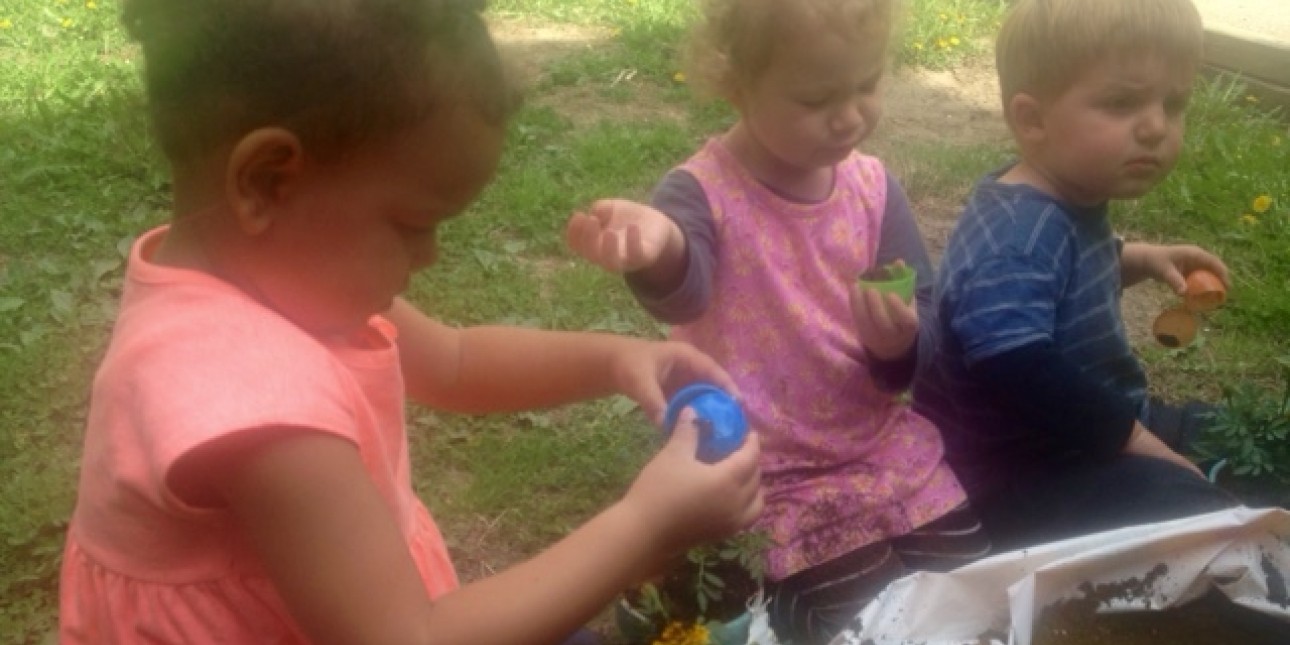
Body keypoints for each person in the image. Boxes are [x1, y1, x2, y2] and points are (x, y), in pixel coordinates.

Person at [57, 1, 765, 644]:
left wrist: (615, 360)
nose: (427, 255)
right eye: (410, 224)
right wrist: (648, 525)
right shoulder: (248, 398)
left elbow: (453, 360)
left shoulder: (274, 273)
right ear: (268, 180)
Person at [564, 0, 990, 641]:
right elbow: (686, 294)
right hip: (766, 470)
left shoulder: (873, 189)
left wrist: (897, 340)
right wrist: (661, 248)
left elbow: (919, 317)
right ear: (736, 84)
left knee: (974, 592)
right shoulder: (702, 192)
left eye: (867, 84)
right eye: (817, 98)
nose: (850, 116)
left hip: (876, 449)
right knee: (866, 618)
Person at [913, 0, 1238, 554]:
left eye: (1173, 102)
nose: (1156, 125)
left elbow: (1064, 279)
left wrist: (1140, 259)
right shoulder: (1020, 235)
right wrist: (1134, 440)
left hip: (1091, 432)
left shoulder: (1063, 197)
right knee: (1194, 516)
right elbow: (1013, 362)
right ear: (1032, 119)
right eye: (1122, 102)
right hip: (1026, 477)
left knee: (1237, 436)